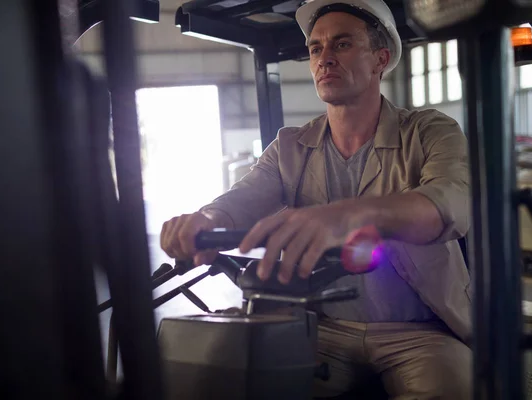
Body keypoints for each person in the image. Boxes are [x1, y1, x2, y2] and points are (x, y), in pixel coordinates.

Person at [160, 0, 472, 398]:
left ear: (381, 58)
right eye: (315, 48)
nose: (325, 58)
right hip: (320, 328)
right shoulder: (290, 147)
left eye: (342, 45)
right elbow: (243, 197)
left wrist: (348, 216)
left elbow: (448, 206)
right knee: (232, 376)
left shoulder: (429, 131)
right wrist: (206, 218)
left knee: (454, 389)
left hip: (420, 331)